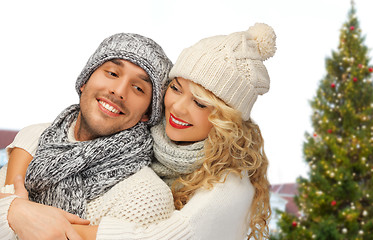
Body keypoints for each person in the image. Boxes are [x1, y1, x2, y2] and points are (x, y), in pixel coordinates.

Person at [1, 22, 276, 240]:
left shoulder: (229, 187)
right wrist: (17, 204)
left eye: (200, 103)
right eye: (176, 89)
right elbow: (41, 133)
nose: (177, 108)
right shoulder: (152, 138)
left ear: (226, 120)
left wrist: (37, 219)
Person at [0, 32, 175, 238]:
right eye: (112, 73)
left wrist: (13, 210)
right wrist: (13, 210)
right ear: (84, 81)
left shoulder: (147, 196)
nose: (119, 91)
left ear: (147, 113)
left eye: (138, 88)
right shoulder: (34, 137)